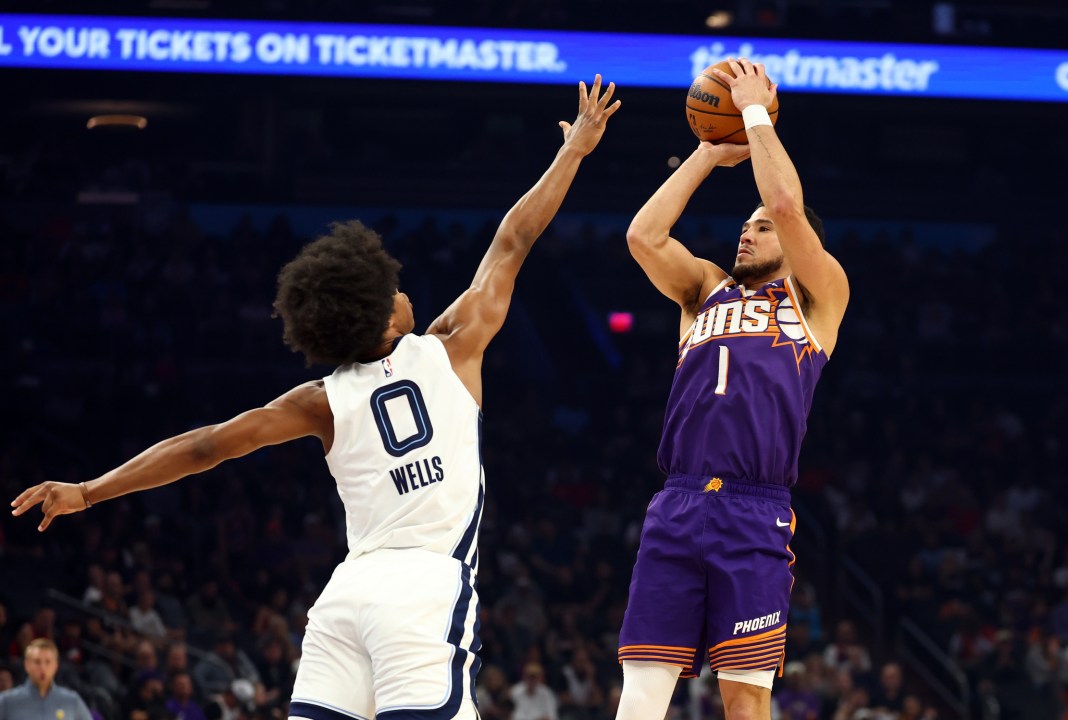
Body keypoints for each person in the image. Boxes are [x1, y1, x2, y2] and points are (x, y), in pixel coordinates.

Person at [11, 75, 620, 720]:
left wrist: (88, 491)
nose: (404, 290)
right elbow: (513, 240)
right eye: (392, 290)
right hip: (422, 588)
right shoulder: (452, 345)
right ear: (383, 323)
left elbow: (204, 447)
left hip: (346, 596)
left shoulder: (320, 400)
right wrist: (574, 151)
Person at [617, 57, 849, 720]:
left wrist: (753, 114)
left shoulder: (818, 298)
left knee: (745, 705)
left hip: (756, 509)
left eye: (763, 227)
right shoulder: (703, 290)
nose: (749, 227)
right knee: (639, 699)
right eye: (744, 224)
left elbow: (783, 202)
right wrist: (706, 152)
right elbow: (642, 235)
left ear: (801, 245)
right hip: (678, 502)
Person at [0, 638, 93, 720]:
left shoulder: (72, 701)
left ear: (55, 666)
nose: (42, 667)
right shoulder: (7, 701)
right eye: (37, 662)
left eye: (47, 662)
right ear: (26, 664)